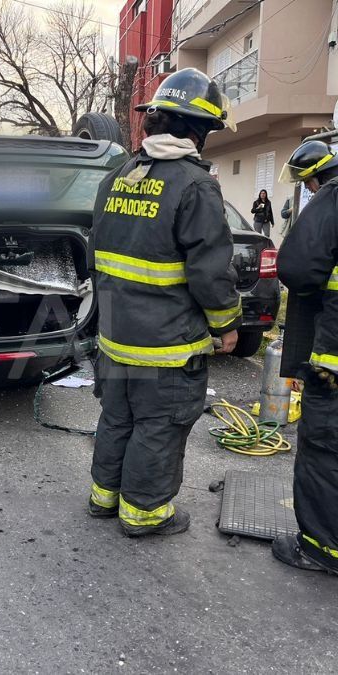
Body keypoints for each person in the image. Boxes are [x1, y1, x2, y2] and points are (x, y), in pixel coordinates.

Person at [86, 67, 241, 537]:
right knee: (158, 426)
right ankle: (146, 514)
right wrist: (227, 324)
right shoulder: (194, 185)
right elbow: (209, 270)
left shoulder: (118, 177)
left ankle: (104, 498)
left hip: (115, 336)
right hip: (166, 344)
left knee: (118, 417)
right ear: (197, 130)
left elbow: (96, 254)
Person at [270, 139, 338, 575]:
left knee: (324, 447)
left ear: (312, 178)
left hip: (332, 358)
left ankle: (320, 548)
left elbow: (295, 266)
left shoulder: (331, 198)